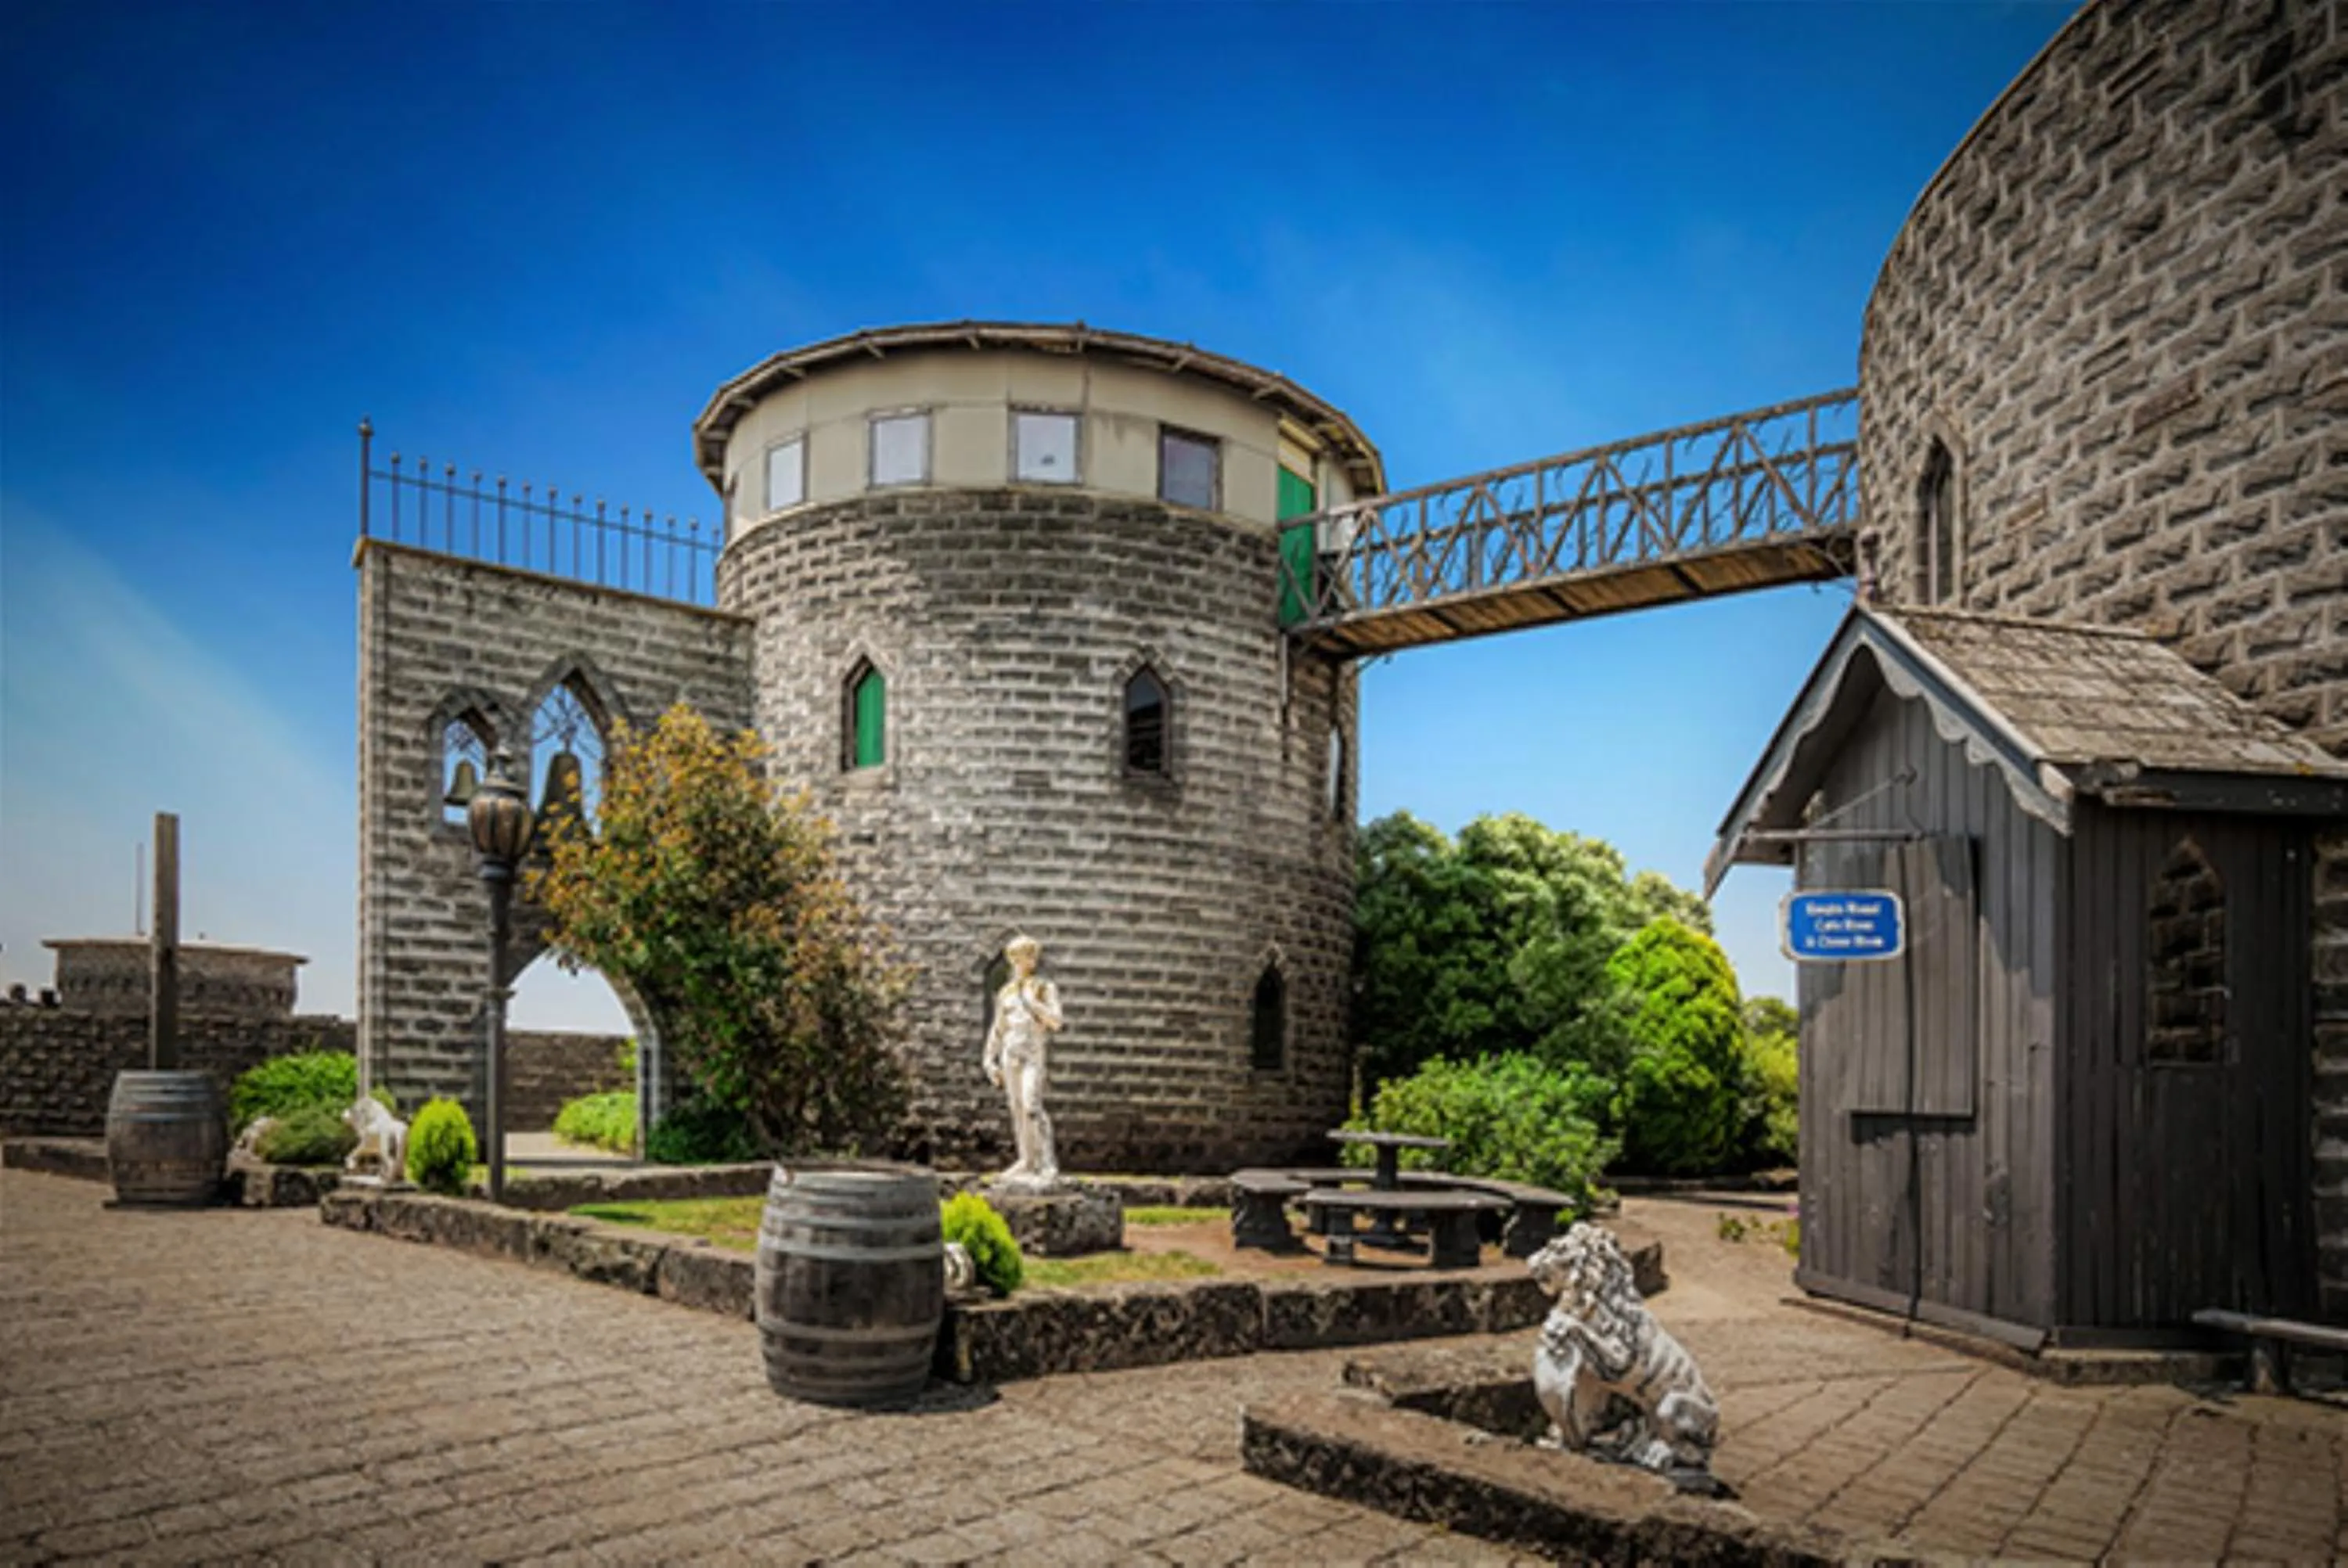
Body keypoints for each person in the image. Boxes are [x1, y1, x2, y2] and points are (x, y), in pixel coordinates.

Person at [982, 933, 1063, 1188]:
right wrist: (988, 1060)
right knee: (1016, 1109)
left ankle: (1047, 1163)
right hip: (1010, 1053)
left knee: (1032, 1106)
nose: (1023, 962)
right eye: (1017, 957)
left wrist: (1033, 1004)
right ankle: (1026, 1160)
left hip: (1032, 1052)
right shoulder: (1006, 992)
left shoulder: (1043, 988)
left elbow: (1056, 1022)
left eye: (1028, 956)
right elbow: (998, 1028)